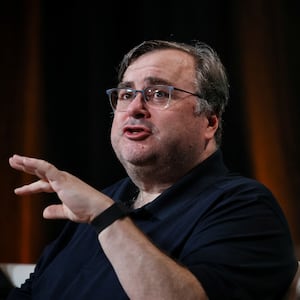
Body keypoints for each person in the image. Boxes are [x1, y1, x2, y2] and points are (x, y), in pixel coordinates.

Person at [7, 39, 297, 300]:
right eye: (125, 94)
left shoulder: (245, 207)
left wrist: (107, 219)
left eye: (158, 93)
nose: (135, 107)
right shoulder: (98, 203)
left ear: (209, 122)